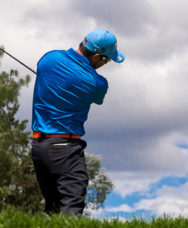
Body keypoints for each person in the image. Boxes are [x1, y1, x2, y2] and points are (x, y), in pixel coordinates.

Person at [31, 29, 125, 215]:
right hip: (65, 148)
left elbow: (44, 69)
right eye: (106, 60)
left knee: (53, 207)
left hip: (39, 147)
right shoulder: (97, 84)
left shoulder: (49, 59)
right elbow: (97, 99)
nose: (105, 64)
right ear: (96, 56)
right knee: (71, 207)